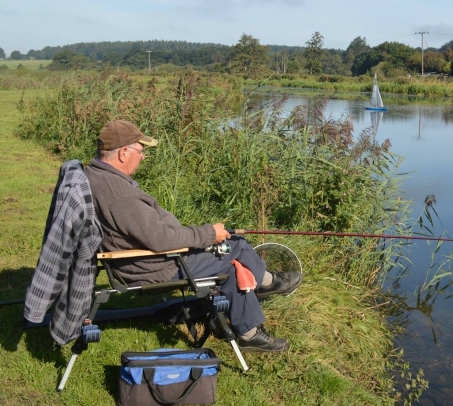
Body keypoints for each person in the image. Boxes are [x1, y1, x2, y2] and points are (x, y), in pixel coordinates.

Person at [85, 119, 301, 352]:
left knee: (230, 264)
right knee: (235, 245)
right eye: (141, 151)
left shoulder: (97, 176)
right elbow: (160, 240)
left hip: (144, 259)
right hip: (158, 266)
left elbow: (153, 231)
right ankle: (267, 285)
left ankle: (246, 327)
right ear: (123, 153)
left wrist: (191, 233)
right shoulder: (121, 196)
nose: (143, 157)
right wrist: (209, 233)